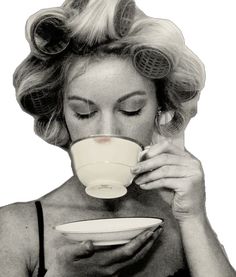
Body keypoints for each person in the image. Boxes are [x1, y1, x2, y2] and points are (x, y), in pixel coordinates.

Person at [0, 0, 235, 276]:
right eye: (84, 113)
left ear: (160, 108)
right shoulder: (15, 229)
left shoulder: (182, 218)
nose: (108, 132)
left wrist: (194, 217)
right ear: (61, 113)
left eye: (130, 110)